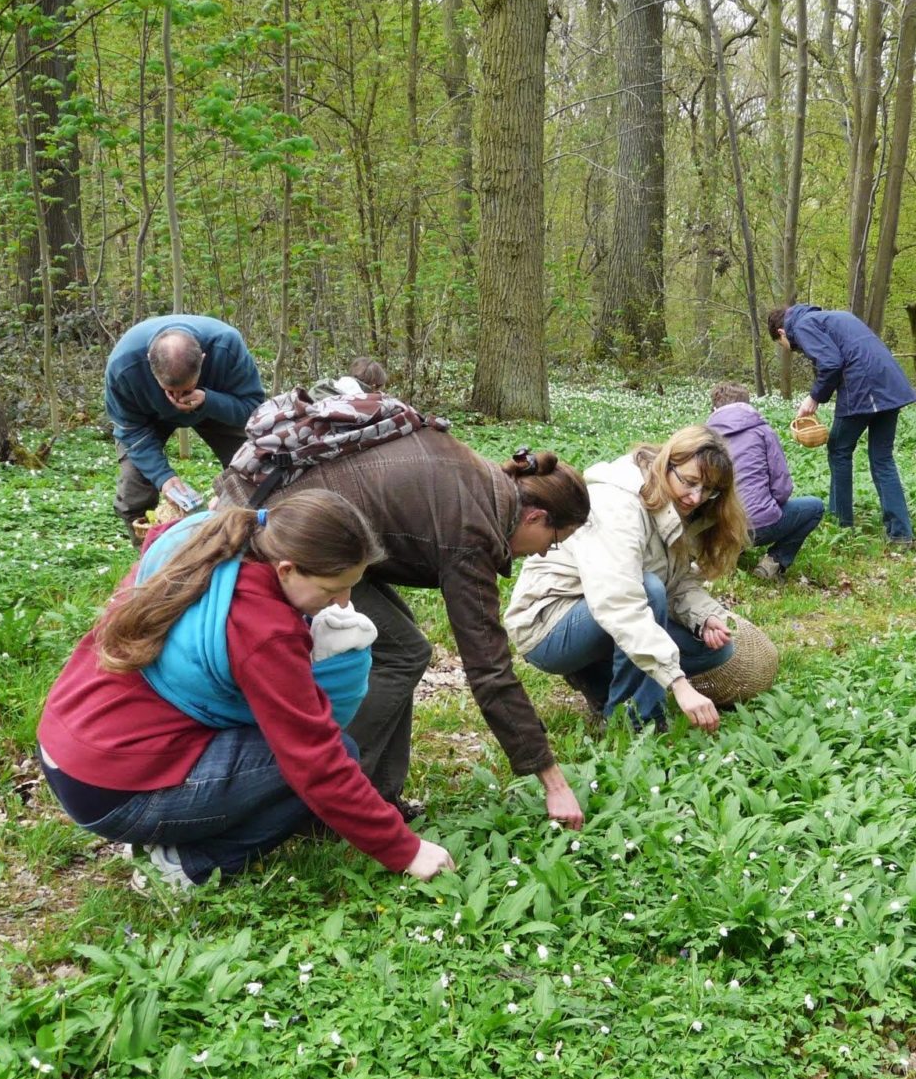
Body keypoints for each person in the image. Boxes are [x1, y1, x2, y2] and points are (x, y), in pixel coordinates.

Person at [37, 489, 456, 888]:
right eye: (332, 588)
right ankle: (187, 865)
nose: (344, 601)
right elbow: (315, 761)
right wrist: (405, 850)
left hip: (68, 750)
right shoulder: (263, 628)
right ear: (287, 569)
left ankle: (161, 827)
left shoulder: (204, 538)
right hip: (112, 792)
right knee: (333, 754)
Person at [215, 432, 593, 829]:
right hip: (288, 532)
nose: (543, 553)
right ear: (535, 516)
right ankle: (336, 797)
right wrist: (552, 780)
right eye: (553, 541)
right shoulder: (473, 529)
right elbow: (489, 670)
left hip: (284, 509)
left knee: (404, 646)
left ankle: (379, 794)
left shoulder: (483, 482)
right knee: (402, 653)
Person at [505, 425, 749, 733]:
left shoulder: (679, 504)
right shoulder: (618, 503)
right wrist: (678, 683)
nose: (696, 497)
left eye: (708, 490)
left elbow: (679, 581)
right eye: (690, 482)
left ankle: (599, 678)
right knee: (648, 591)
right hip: (549, 624)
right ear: (667, 463)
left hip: (605, 611)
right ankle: (633, 723)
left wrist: (704, 617)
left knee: (715, 648)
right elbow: (620, 602)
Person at [104, 314, 266, 540]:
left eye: (186, 390)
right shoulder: (124, 365)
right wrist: (162, 477)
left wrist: (209, 401)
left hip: (215, 406)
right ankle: (149, 558)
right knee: (133, 495)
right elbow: (131, 429)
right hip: (150, 417)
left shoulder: (226, 346)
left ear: (203, 358)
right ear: (149, 360)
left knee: (257, 474)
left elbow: (254, 411)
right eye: (169, 391)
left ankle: (248, 549)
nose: (177, 398)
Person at [768, 304, 916, 545]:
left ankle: (841, 524)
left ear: (781, 333)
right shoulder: (833, 317)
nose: (788, 349)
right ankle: (901, 534)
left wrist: (814, 397)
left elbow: (831, 363)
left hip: (866, 387)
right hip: (889, 382)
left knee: (838, 448)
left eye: (781, 344)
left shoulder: (803, 325)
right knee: (882, 458)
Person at [706, 381, 825, 580]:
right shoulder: (763, 431)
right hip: (758, 526)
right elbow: (782, 489)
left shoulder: (702, 436)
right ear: (747, 405)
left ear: (714, 408)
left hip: (716, 527)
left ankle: (726, 551)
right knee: (815, 507)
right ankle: (772, 563)